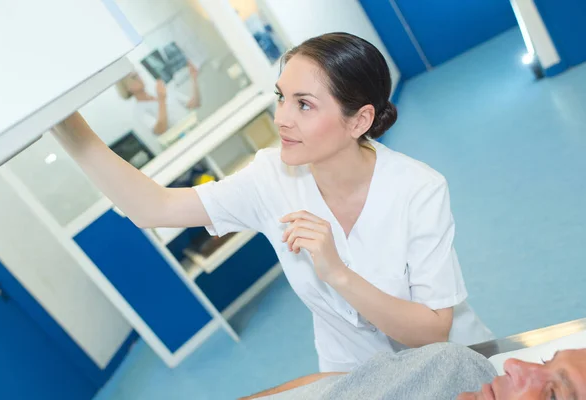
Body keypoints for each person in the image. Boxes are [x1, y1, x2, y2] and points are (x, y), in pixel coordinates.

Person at [53, 32, 494, 373]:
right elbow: (154, 209)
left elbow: (434, 331)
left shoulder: (418, 188)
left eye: (304, 105)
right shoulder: (271, 176)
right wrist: (61, 120)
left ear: (359, 120)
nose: (282, 117)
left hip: (455, 366)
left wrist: (337, 273)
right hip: (359, 377)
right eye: (281, 97)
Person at [239, 343, 586, 399]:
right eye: (544, 362)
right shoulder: (449, 369)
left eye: (554, 394)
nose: (514, 365)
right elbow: (326, 388)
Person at [115, 63, 201, 135]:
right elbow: (160, 130)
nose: (139, 78)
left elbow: (194, 104)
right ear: (127, 88)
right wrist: (162, 100)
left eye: (137, 74)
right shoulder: (139, 110)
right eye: (134, 77)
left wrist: (194, 79)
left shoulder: (160, 90)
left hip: (196, 129)